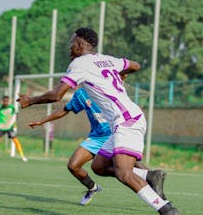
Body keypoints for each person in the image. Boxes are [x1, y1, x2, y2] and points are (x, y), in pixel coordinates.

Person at [18, 27, 180, 215]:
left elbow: (57, 95)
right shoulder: (106, 59)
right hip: (125, 119)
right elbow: (136, 65)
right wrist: (120, 72)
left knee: (124, 173)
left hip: (126, 121)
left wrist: (30, 101)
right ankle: (149, 176)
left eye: (72, 42)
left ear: (80, 43)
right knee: (99, 166)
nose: (70, 46)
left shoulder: (78, 64)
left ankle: (166, 210)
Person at [29, 87, 166, 206]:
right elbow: (65, 110)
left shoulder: (107, 87)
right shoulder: (81, 94)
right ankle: (92, 187)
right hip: (96, 137)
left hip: (115, 133)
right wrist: (42, 121)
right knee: (73, 165)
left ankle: (159, 195)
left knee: (133, 167)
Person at [0, 95, 27, 162]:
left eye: (7, 101)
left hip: (9, 127)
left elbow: (16, 114)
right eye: (4, 101)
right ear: (3, 101)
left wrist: (15, 123)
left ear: (9, 101)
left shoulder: (12, 107)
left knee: (16, 141)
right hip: (0, 127)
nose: (6, 102)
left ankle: (22, 156)